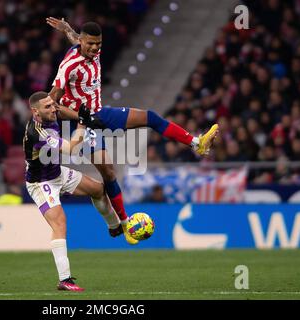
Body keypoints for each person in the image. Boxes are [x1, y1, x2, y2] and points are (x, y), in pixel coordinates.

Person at [47, 18, 219, 244]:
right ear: (82, 42)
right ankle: (125, 223)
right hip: (84, 122)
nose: (95, 48)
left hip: (100, 112)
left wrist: (67, 29)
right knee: (108, 172)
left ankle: (197, 143)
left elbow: (75, 38)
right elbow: (52, 103)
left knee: (149, 117)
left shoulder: (89, 49)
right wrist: (74, 118)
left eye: (98, 44)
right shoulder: (68, 66)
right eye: (90, 44)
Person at [24, 91, 122, 292]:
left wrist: (83, 115)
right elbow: (70, 148)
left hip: (57, 172)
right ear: (35, 112)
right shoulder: (37, 133)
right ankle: (65, 279)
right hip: (41, 183)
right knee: (60, 222)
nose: (54, 109)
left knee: (97, 188)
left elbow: (66, 112)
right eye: (48, 107)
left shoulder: (50, 113)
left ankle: (114, 226)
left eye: (53, 105)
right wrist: (83, 124)